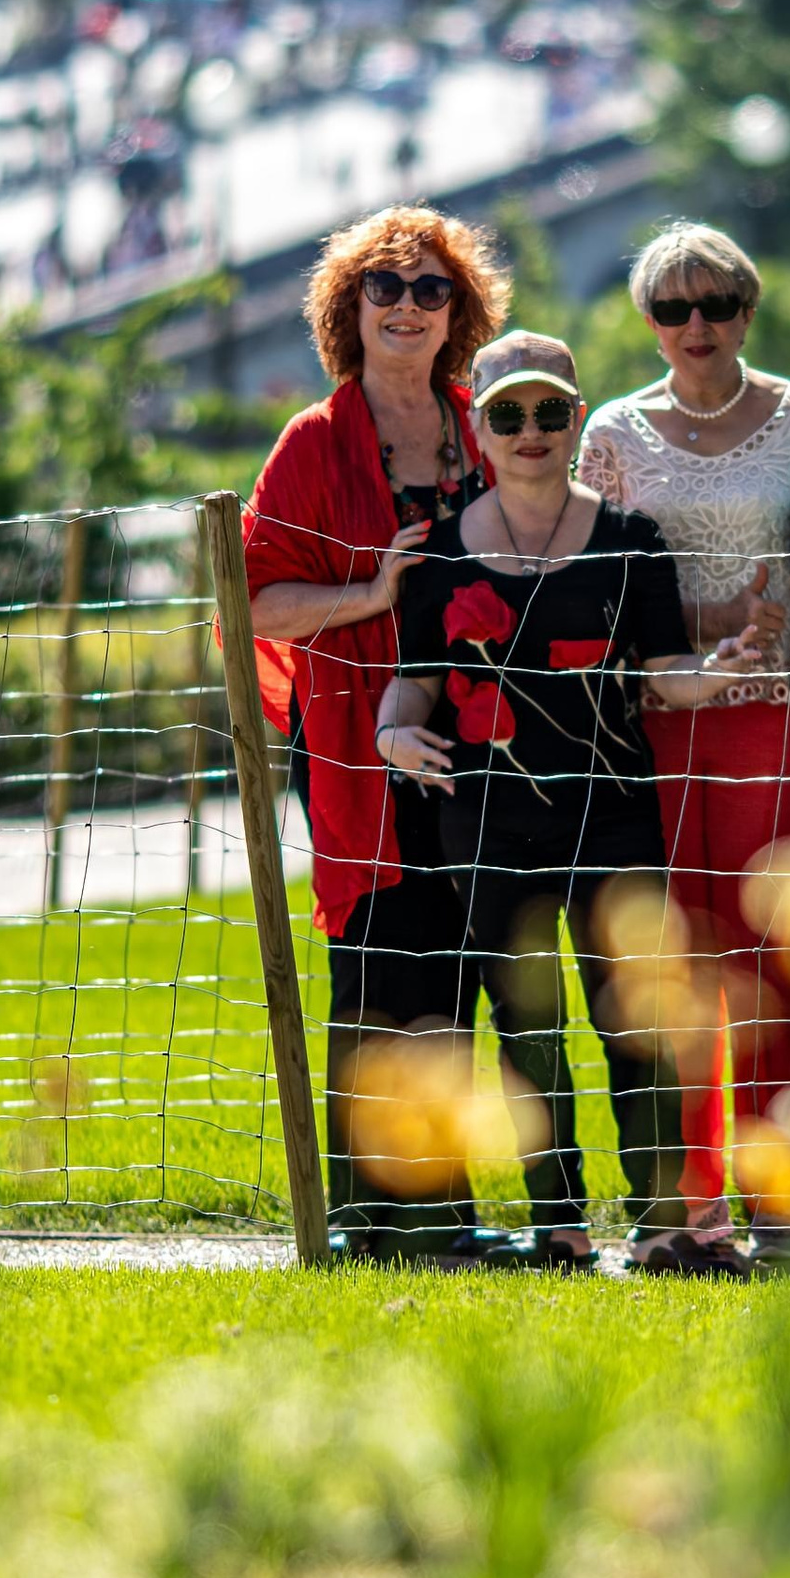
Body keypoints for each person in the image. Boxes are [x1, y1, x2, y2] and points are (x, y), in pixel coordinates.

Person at [376, 327, 779, 1268]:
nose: (530, 431)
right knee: (527, 1024)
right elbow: (414, 683)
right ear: (477, 430)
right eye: (507, 414)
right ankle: (556, 1224)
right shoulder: (436, 556)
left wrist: (711, 675)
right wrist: (395, 733)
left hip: (613, 814)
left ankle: (663, 1224)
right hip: (484, 818)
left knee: (635, 1016)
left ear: (578, 418)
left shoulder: (632, 540)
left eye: (550, 411)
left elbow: (662, 673)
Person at [582, 220, 790, 1263]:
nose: (697, 325)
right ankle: (685, 1214)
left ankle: (783, 1196)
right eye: (672, 307)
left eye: (718, 304)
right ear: (647, 322)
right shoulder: (610, 432)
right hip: (658, 721)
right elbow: (597, 584)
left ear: (748, 310)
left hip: (775, 714)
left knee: (771, 955)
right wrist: (700, 629)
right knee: (675, 965)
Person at [242, 205, 506, 1250]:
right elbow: (253, 605)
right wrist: (369, 593)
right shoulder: (314, 443)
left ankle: (445, 1212)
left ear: (459, 312)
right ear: (348, 308)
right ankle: (370, 1211)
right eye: (383, 288)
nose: (405, 306)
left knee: (459, 963)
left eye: (429, 288)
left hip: (479, 734)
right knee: (375, 961)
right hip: (354, 734)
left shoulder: (489, 424)